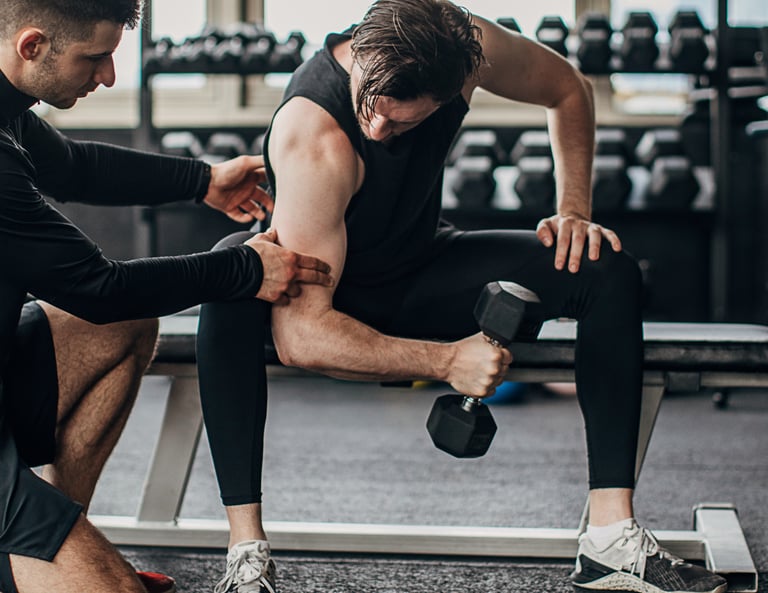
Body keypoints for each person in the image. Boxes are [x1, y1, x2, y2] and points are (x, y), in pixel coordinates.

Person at [196, 2, 728, 593]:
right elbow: (302, 338)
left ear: (459, 86)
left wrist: (574, 210)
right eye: (371, 106)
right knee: (229, 272)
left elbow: (569, 89)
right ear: (363, 54)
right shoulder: (314, 134)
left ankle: (610, 539)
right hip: (321, 300)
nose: (378, 131)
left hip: (420, 266)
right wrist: (448, 361)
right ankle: (247, 554)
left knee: (605, 269)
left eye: (401, 125)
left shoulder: (469, 47)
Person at [0, 2, 334, 593]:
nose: (107, 76)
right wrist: (241, 269)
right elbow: (99, 288)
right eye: (96, 58)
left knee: (127, 327)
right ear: (32, 46)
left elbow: (74, 168)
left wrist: (202, 180)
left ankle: (57, 535)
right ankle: (38, 556)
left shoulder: (9, 108)